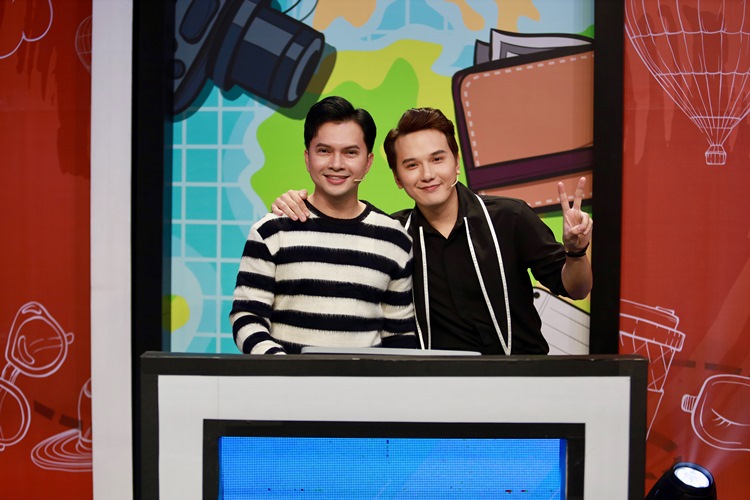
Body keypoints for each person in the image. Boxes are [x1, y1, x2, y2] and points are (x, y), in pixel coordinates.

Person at [272, 107, 592, 355]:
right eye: (411, 165)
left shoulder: (510, 217)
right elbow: (338, 236)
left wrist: (576, 251)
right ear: (398, 179)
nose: (427, 174)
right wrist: (296, 204)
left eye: (437, 159)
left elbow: (576, 288)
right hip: (433, 393)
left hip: (522, 384)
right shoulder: (392, 235)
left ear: (456, 162)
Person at [230, 96, 417, 354]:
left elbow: (399, 336)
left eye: (350, 152)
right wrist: (282, 368)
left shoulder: (395, 240)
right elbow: (247, 317)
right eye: (324, 151)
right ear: (307, 158)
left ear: (368, 162)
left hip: (364, 381)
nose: (336, 164)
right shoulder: (271, 232)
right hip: (285, 378)